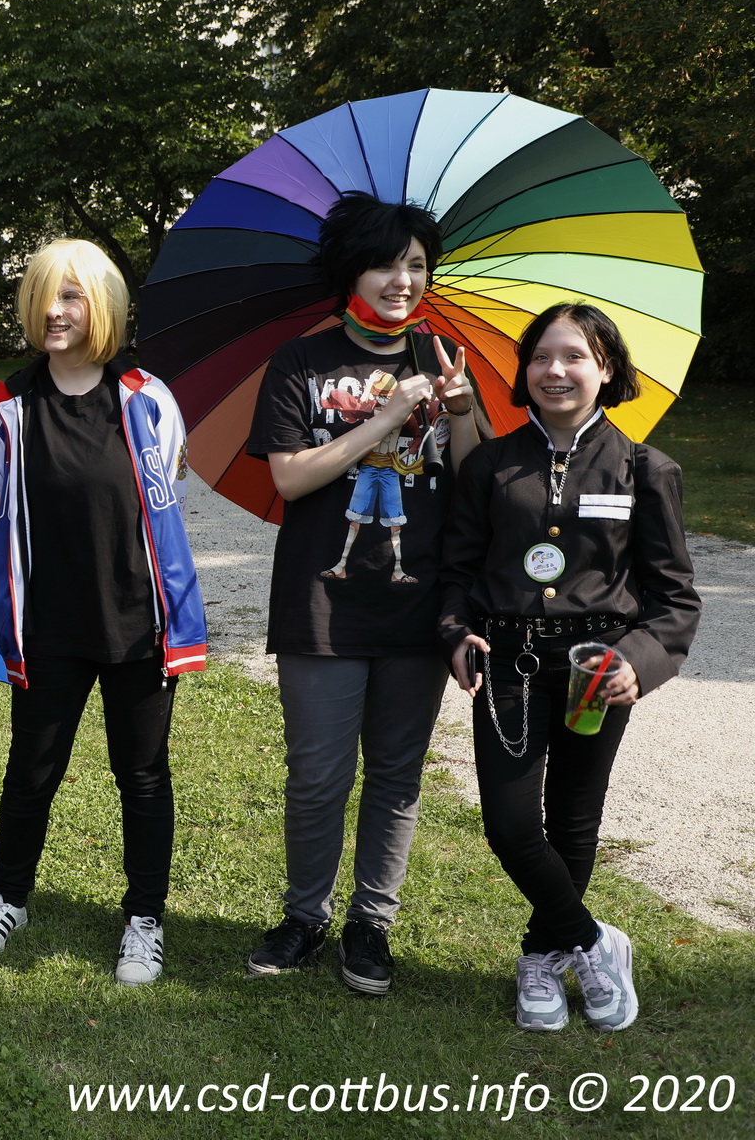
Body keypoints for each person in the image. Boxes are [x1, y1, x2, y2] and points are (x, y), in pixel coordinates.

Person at [241, 192, 480, 994]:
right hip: (322, 597)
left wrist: (466, 410)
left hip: (419, 601)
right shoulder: (300, 363)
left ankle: (371, 923)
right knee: (317, 773)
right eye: (386, 263)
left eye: (416, 265)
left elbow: (473, 482)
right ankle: (305, 915)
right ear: (353, 269)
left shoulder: (444, 359)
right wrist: (385, 417)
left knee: (397, 773)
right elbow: (288, 476)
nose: (402, 279)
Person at [441, 302, 698, 1033]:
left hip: (598, 668)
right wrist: (456, 631)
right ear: (523, 371)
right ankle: (592, 940)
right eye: (543, 357)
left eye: (576, 356)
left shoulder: (648, 468)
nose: (556, 371)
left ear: (607, 369)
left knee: (575, 822)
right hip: (512, 665)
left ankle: (540, 958)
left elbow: (675, 599)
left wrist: (639, 664)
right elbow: (455, 570)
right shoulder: (491, 465)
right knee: (510, 825)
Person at [0, 240, 207, 982]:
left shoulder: (145, 397)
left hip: (138, 624)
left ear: (101, 305)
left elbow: (168, 503)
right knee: (31, 770)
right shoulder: (7, 410)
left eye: (71, 296)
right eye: (42, 295)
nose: (54, 310)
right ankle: (8, 895)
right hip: (49, 627)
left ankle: (144, 917)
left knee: (142, 774)